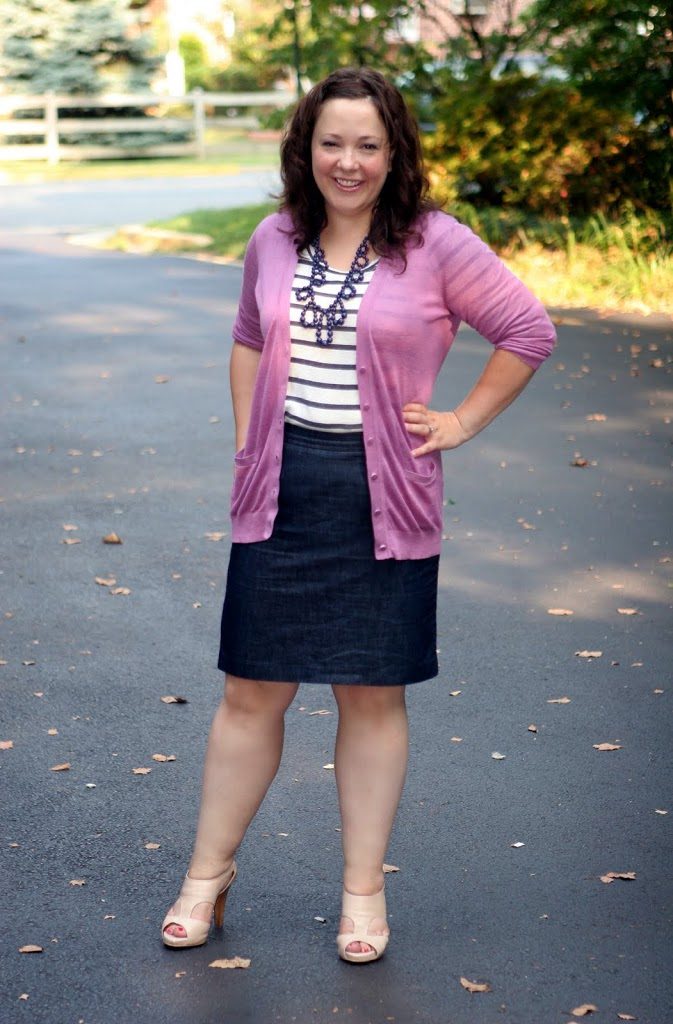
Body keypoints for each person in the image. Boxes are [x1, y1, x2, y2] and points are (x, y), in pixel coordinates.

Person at [161, 66, 556, 963]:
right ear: (304, 148)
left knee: (371, 696)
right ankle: (206, 876)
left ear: (394, 152)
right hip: (283, 488)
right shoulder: (273, 238)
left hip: (384, 496)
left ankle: (362, 892)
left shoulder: (437, 244)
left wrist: (459, 422)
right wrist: (249, 446)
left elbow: (528, 330)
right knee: (250, 690)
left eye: (367, 145)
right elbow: (249, 340)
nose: (348, 161)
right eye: (330, 142)